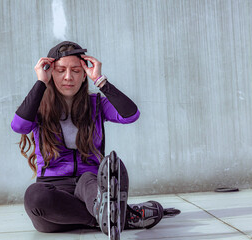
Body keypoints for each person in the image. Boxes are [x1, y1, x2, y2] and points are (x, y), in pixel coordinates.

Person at [10, 41, 166, 236]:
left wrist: (100, 80)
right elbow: (19, 126)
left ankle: (105, 214)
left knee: (87, 182)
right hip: (54, 190)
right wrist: (41, 82)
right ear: (50, 72)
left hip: (89, 185)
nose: (68, 77)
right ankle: (121, 218)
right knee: (35, 197)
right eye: (60, 70)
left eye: (75, 70)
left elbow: (130, 115)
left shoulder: (97, 104)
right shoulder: (38, 106)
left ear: (84, 74)